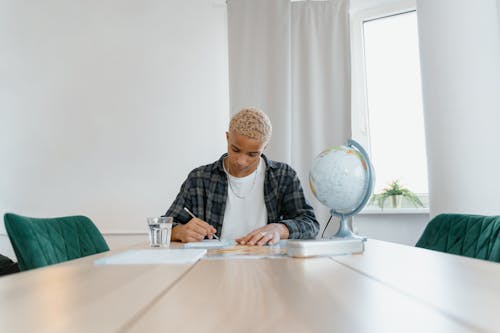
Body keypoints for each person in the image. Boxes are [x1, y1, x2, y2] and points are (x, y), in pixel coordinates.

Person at [165, 107, 318, 245]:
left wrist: (280, 229)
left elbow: (310, 223)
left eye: (252, 154)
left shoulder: (283, 176)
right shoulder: (199, 179)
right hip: (212, 267)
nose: (241, 161)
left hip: (268, 266)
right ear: (227, 138)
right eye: (235, 149)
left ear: (265, 147)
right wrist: (180, 231)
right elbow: (165, 226)